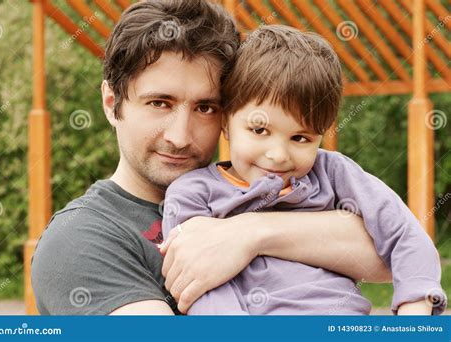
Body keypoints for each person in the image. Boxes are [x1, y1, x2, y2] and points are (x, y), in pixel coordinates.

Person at [31, 0, 391, 315]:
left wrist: (250, 234)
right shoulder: (80, 239)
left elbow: (390, 252)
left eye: (205, 107)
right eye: (160, 103)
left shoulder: (274, 187)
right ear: (113, 103)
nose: (180, 136)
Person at [162, 25, 446, 315]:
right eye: (259, 129)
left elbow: (403, 232)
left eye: (301, 138)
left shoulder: (333, 172)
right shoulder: (193, 194)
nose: (278, 155)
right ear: (226, 122)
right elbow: (197, 282)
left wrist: (416, 305)